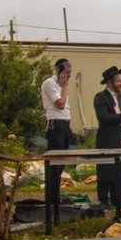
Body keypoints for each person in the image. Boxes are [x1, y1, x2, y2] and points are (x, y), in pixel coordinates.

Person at [92, 65, 121, 208]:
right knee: (105, 171)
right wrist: (120, 117)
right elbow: (103, 117)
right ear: (110, 82)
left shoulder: (118, 98)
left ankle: (117, 199)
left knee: (118, 171)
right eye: (118, 81)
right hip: (107, 139)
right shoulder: (101, 97)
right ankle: (103, 200)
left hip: (120, 139)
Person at [40, 58, 72, 209]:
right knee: (55, 163)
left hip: (64, 124)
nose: (68, 76)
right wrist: (64, 87)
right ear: (59, 71)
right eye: (66, 73)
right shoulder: (50, 84)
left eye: (69, 73)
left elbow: (65, 109)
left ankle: (56, 196)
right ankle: (51, 198)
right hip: (55, 124)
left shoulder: (61, 86)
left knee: (62, 162)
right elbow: (60, 104)